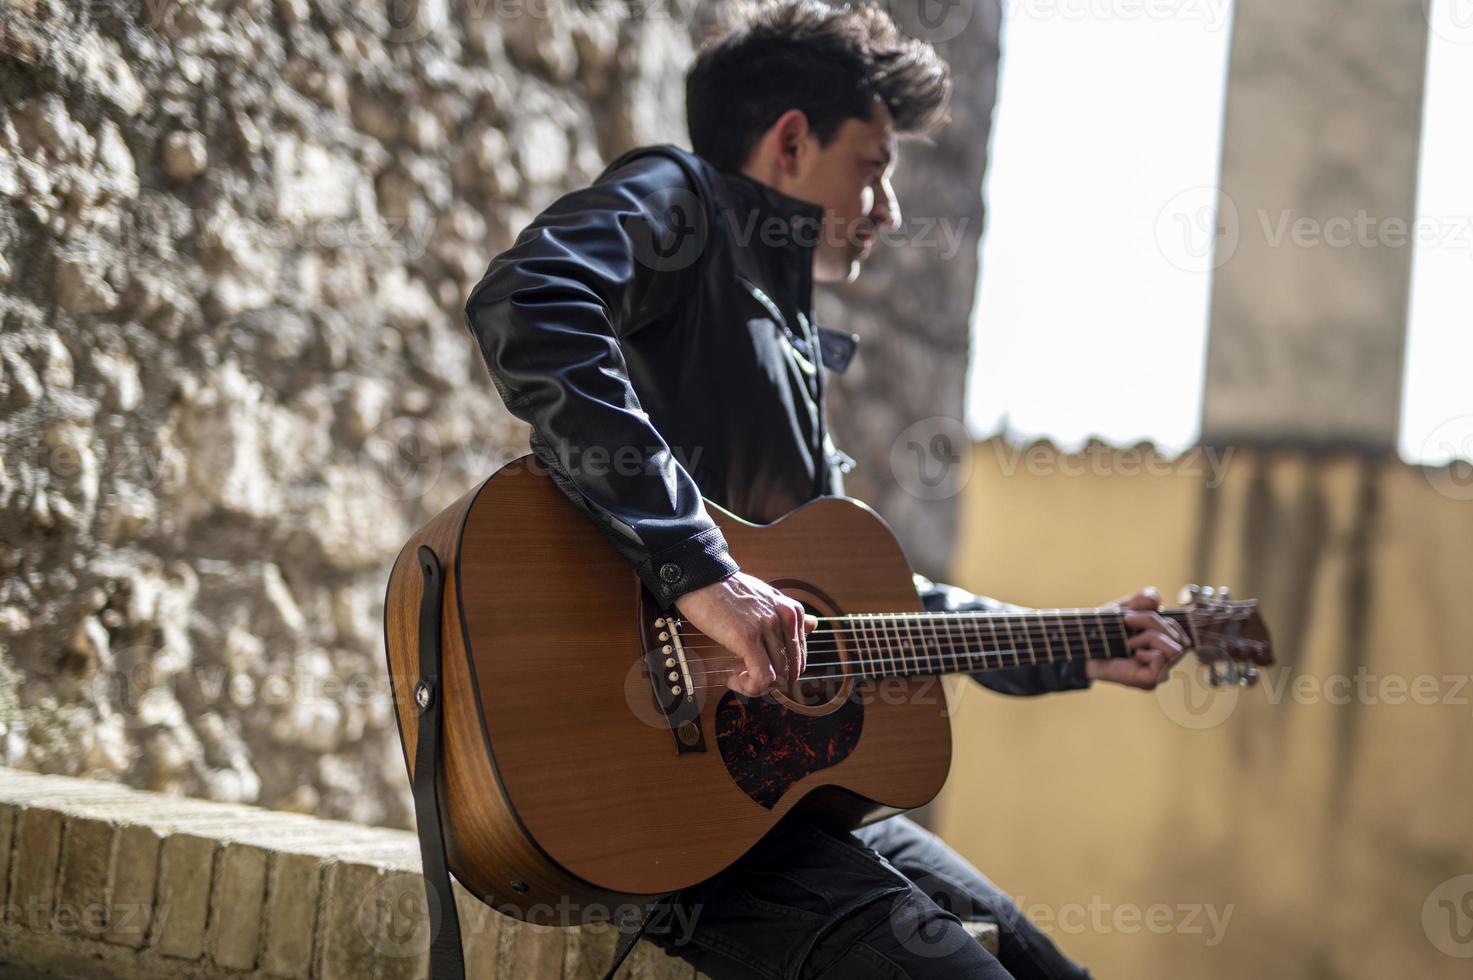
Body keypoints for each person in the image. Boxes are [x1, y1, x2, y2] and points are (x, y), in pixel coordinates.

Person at [463, 2, 1188, 976]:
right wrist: (702, 573)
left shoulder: (788, 344)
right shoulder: (685, 199)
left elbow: (868, 609)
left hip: (785, 807)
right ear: (792, 142)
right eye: (875, 167)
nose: (885, 209)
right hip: (666, 811)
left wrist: (1084, 642)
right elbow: (532, 299)